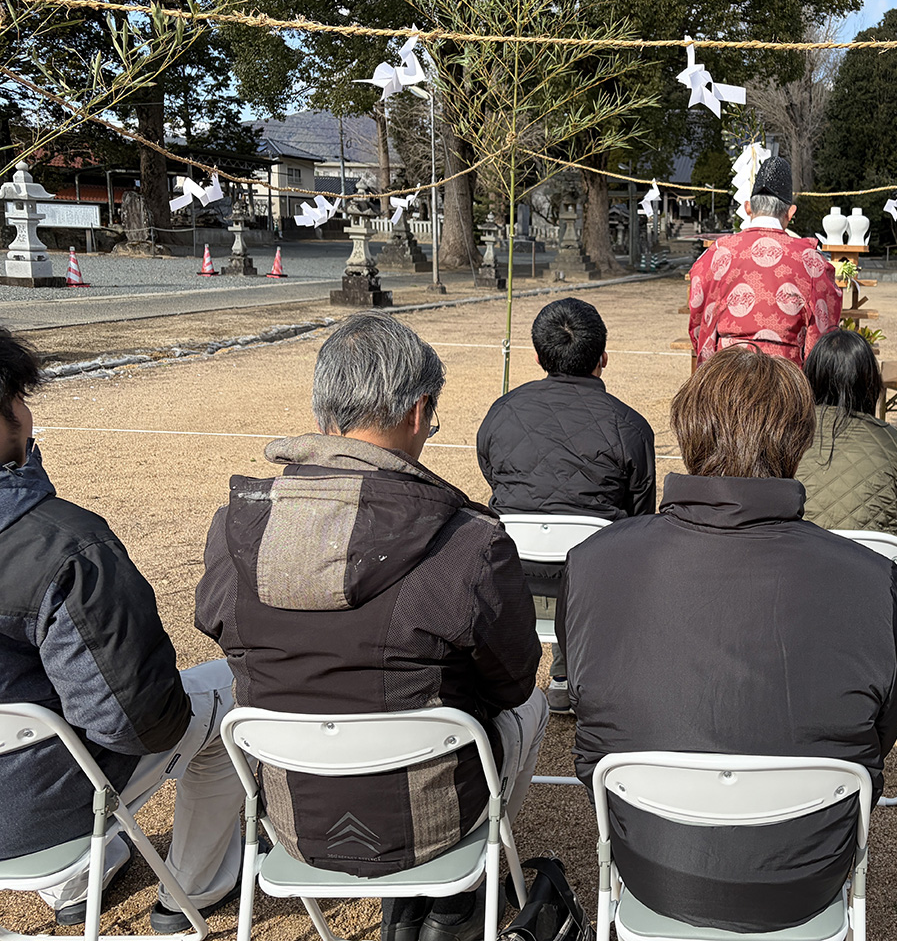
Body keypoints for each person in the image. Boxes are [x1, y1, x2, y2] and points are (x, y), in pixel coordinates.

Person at [195, 312, 546, 941]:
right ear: (417, 412)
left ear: (327, 409)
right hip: (433, 813)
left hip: (294, 816)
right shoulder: (468, 541)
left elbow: (219, 630)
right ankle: (458, 894)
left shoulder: (235, 527)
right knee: (534, 707)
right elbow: (513, 682)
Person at [558, 345, 897, 932]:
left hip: (654, 862)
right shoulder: (868, 577)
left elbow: (586, 699)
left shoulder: (596, 563)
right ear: (798, 443)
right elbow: (889, 716)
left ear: (688, 430)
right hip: (807, 875)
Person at [0, 327, 241, 932]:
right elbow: (138, 722)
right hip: (30, 805)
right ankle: (192, 892)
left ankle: (80, 877)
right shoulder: (61, 546)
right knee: (238, 695)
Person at [476, 297, 655, 715]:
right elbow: (643, 512)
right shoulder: (628, 425)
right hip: (597, 581)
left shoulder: (502, 413)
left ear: (538, 356)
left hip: (514, 572)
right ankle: (586, 675)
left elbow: (494, 478)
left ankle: (557, 675)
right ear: (603, 357)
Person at [688, 156, 842, 368]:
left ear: (748, 208)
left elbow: (698, 317)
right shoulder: (811, 261)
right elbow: (823, 333)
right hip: (785, 378)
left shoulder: (717, 254)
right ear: (791, 212)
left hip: (725, 375)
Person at [796, 329, 897, 538]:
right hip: (872, 565)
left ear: (811, 377)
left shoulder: (785, 432)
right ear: (870, 381)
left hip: (792, 562)